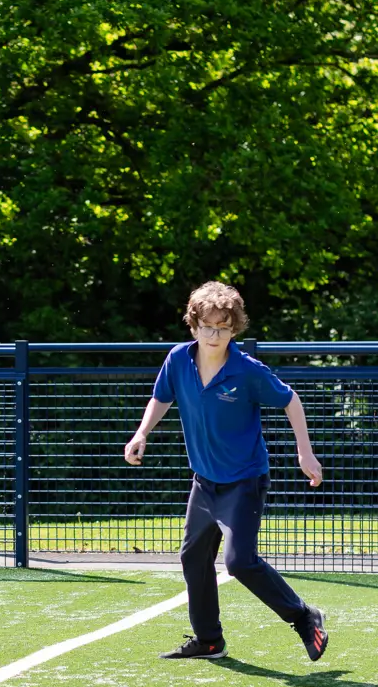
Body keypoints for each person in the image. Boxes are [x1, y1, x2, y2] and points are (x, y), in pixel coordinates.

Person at [124, 281, 326, 661]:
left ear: (235, 328)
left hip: (244, 481)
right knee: (193, 557)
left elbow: (290, 400)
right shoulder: (178, 360)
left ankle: (304, 617)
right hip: (204, 482)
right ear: (193, 325)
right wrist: (141, 433)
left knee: (239, 561)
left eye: (223, 327)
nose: (214, 335)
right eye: (207, 326)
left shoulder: (247, 370)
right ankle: (209, 640)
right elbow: (161, 397)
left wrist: (305, 453)